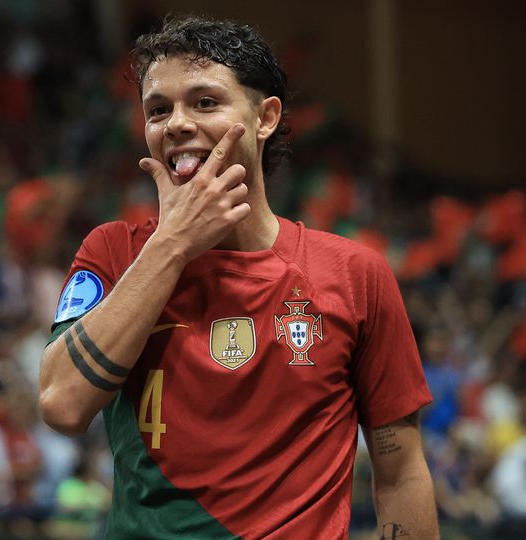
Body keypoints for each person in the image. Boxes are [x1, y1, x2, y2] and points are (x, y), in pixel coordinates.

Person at [38, 15, 438, 539]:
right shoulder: (113, 253)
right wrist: (174, 244)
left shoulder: (355, 274)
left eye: (204, 102)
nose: (176, 123)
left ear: (265, 117)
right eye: (158, 109)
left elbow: (400, 471)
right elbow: (61, 404)